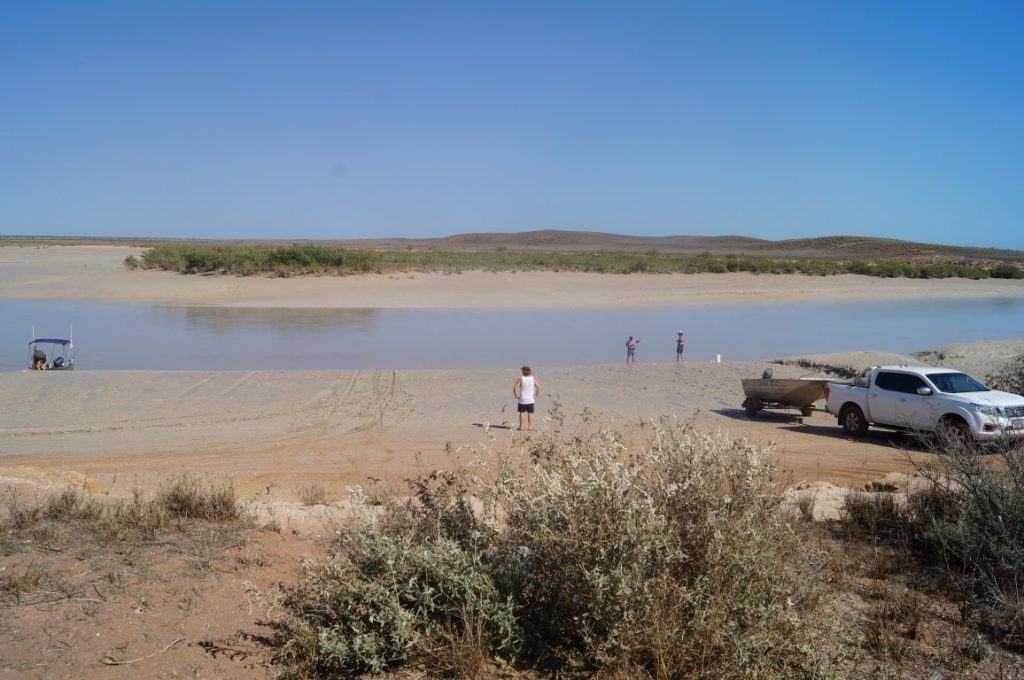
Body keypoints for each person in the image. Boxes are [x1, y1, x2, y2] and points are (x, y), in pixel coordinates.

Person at [513, 365, 541, 431]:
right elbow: (538, 387)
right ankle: (530, 426)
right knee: (530, 413)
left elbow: (515, 388)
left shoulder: (521, 379)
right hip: (530, 399)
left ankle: (521, 426)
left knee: (521, 413)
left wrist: (516, 396)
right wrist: (536, 395)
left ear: (523, 371)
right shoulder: (533, 379)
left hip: (522, 399)